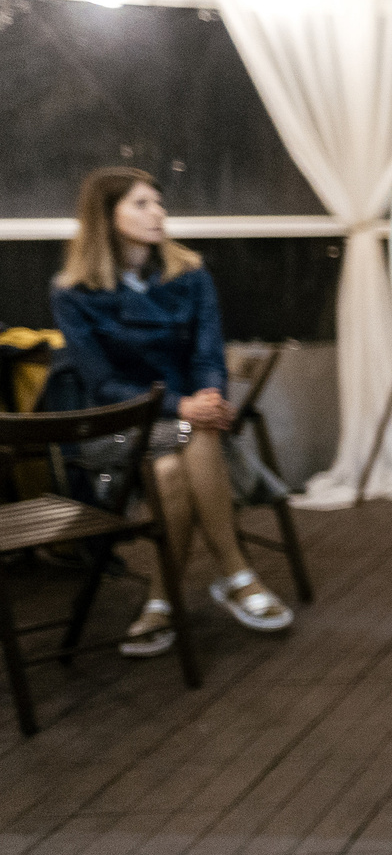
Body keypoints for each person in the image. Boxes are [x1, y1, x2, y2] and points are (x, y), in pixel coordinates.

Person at [51, 167, 294, 656]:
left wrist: (210, 396)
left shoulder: (190, 274)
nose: (158, 212)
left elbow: (208, 354)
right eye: (141, 203)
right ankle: (235, 573)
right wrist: (182, 405)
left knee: (170, 466)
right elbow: (102, 383)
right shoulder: (73, 292)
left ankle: (160, 604)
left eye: (159, 202)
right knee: (191, 435)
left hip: (186, 421)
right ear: (105, 215)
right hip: (116, 427)